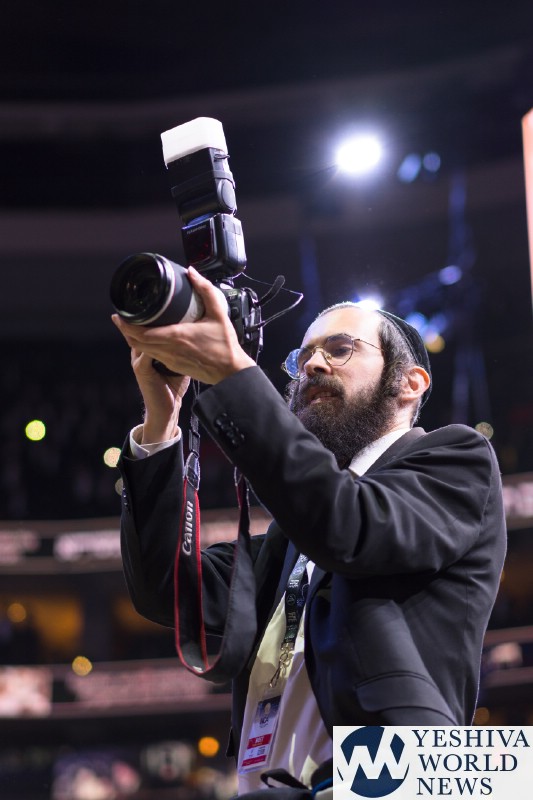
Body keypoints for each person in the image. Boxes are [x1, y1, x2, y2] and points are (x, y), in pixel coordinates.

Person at [112, 266, 506, 796]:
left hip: (392, 782)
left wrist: (232, 373)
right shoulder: (290, 540)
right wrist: (161, 423)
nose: (313, 364)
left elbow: (347, 525)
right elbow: (166, 588)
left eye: (340, 349)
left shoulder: (456, 458)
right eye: (302, 357)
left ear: (410, 383)